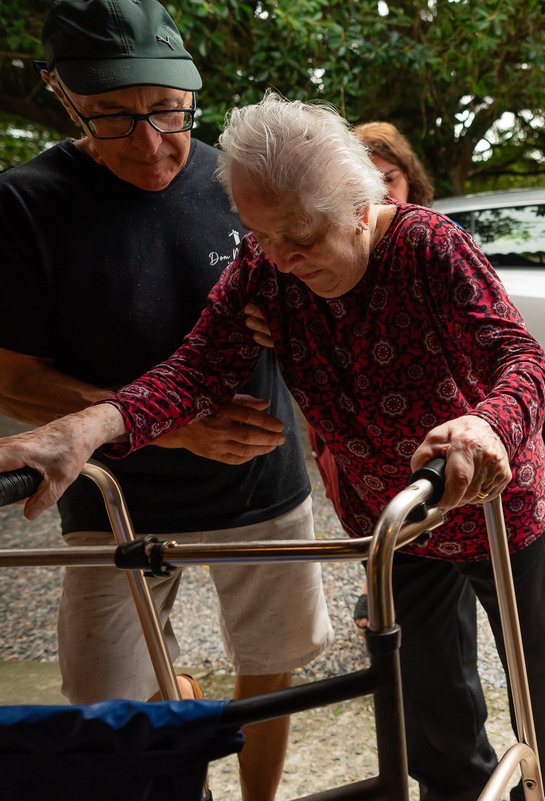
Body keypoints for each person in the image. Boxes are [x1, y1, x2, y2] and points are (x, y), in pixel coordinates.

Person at [0, 91, 545, 801]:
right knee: (432, 703)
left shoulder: (430, 246)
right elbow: (193, 372)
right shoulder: (264, 264)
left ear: (359, 208)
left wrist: (487, 424)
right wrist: (85, 427)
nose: (278, 257)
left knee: (537, 681)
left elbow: (522, 359)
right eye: (261, 235)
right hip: (395, 516)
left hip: (490, 496)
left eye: (300, 239)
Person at [0, 3, 331, 800]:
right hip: (114, 499)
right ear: (61, 94)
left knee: (270, 662)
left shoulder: (238, 180)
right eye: (114, 118)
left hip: (261, 483)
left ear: (193, 90)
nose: (150, 143)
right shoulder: (24, 204)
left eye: (167, 111)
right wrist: (174, 428)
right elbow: (13, 378)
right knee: (109, 693)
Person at [280, 120, 439, 633]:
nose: (376, 191)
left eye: (388, 177)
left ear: (408, 179)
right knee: (366, 514)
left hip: (428, 447)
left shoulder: (428, 242)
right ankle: (378, 585)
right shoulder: (304, 257)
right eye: (362, 178)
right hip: (347, 434)